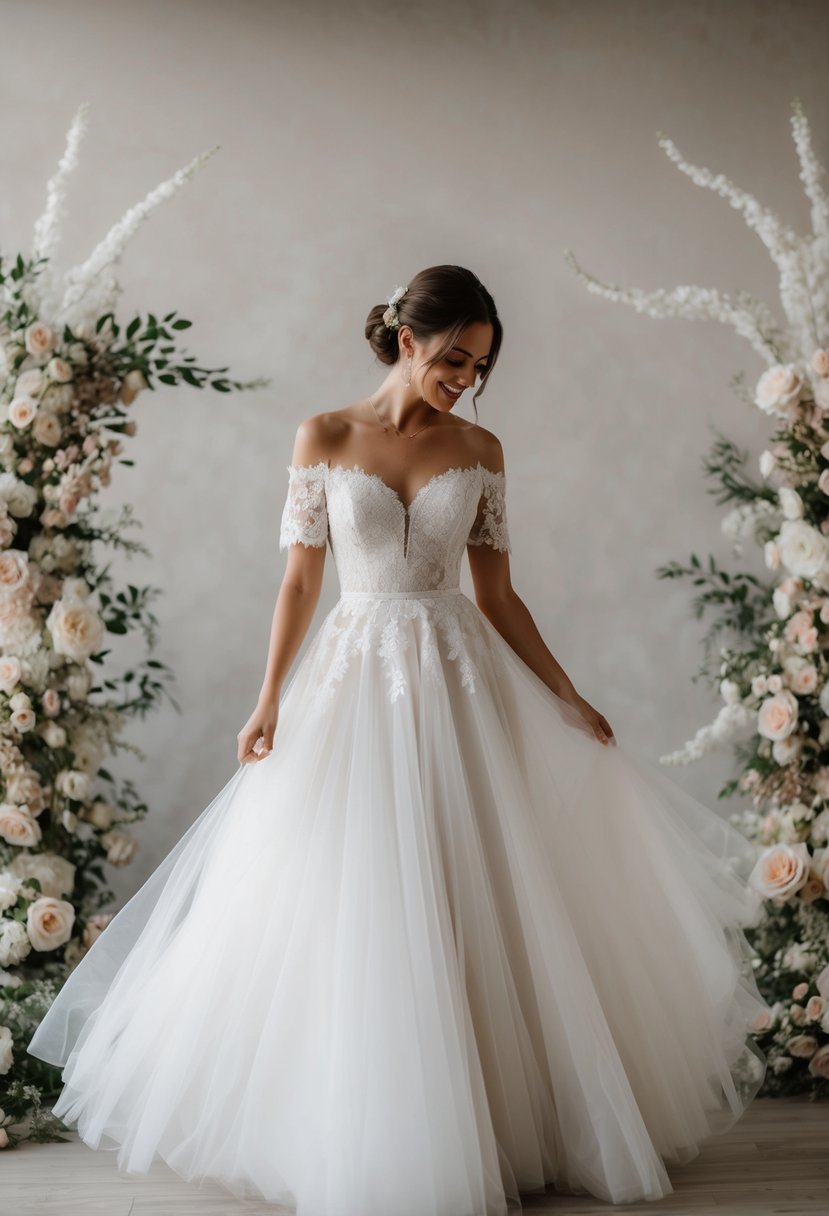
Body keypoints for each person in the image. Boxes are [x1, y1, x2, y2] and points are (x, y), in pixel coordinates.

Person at [27, 264, 770, 1214]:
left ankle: (494, 1116)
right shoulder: (324, 435)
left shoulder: (482, 447)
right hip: (355, 677)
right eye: (455, 358)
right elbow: (300, 583)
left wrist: (567, 693)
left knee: (472, 883)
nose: (466, 378)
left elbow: (496, 592)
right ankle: (366, 1121)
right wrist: (267, 702)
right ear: (407, 338)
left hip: (458, 678)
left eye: (482, 365)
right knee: (359, 887)